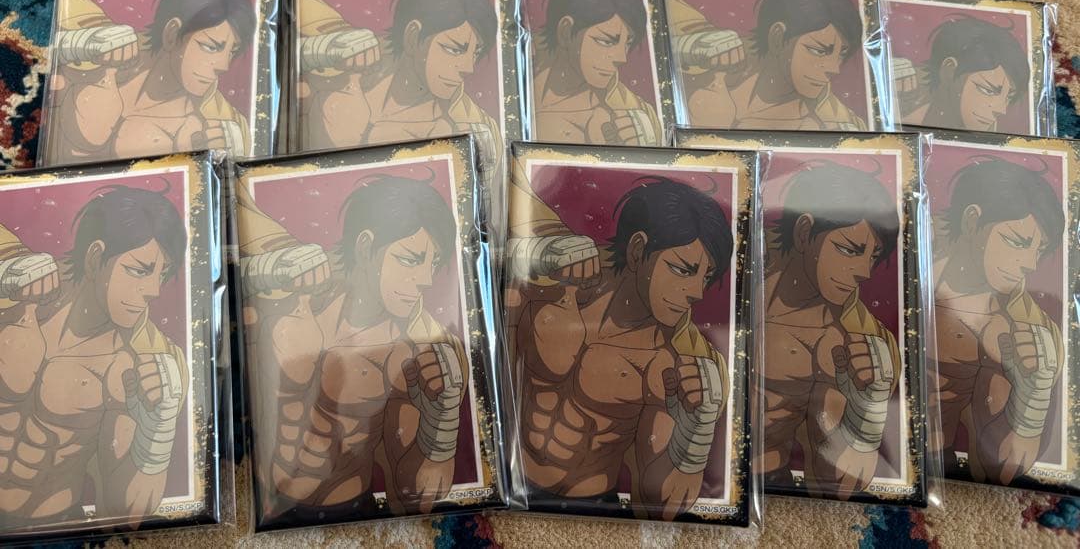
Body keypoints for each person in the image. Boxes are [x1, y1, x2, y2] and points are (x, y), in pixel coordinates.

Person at [236, 175, 468, 520]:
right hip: (253, 495)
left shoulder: (410, 354)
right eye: (410, 259)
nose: (426, 279)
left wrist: (439, 435)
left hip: (344, 510)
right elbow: (215, 275)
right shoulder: (292, 296)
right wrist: (269, 269)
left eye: (432, 264)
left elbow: (414, 494)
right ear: (365, 247)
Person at [505, 170, 733, 520]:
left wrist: (696, 435)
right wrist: (532, 254)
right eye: (683, 269)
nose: (696, 293)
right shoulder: (556, 273)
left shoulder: (674, 363)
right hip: (503, 483)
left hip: (589, 509)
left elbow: (664, 504)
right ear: (638, 250)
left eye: (706, 276)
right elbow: (474, 264)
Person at [0, 187, 187, 526]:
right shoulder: (19, 294)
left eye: (162, 274)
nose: (154, 290)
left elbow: (127, 514)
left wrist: (156, 435)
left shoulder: (129, 368)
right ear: (95, 258)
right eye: (140, 270)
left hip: (48, 531)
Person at [761, 163, 901, 499]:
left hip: (775, 487)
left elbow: (843, 481)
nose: (865, 271)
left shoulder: (859, 348)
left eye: (873, 256)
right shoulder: (746, 276)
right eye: (850, 250)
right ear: (804, 232)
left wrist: (863, 420)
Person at [932, 158, 1064, 484]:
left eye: (1039, 250)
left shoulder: (1025, 333)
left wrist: (1031, 407)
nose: (1030, 264)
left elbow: (1008, 469)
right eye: (1018, 242)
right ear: (972, 221)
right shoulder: (907, 282)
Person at [45, 0, 256, 164]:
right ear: (172, 33)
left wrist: (235, 160)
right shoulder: (105, 46)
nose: (224, 66)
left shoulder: (214, 126)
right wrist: (75, 44)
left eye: (232, 51)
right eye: (210, 47)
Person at [297, 0, 501, 166]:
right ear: (412, 37)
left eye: (475, 53)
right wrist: (319, 50)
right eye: (453, 49)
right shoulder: (348, 56)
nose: (469, 68)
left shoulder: (466, 129)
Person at [671, 0, 866, 131]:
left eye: (842, 54)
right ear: (777, 38)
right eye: (818, 51)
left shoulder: (826, 125)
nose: (835, 68)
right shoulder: (712, 54)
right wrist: (686, 47)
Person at [529, 0, 661, 145]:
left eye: (627, 43)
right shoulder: (518, 78)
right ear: (566, 32)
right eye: (606, 41)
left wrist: (645, 146)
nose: (622, 58)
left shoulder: (637, 117)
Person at [894, 16, 1029, 132]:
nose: (1001, 110)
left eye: (1009, 97)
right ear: (948, 71)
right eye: (987, 90)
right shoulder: (899, 124)